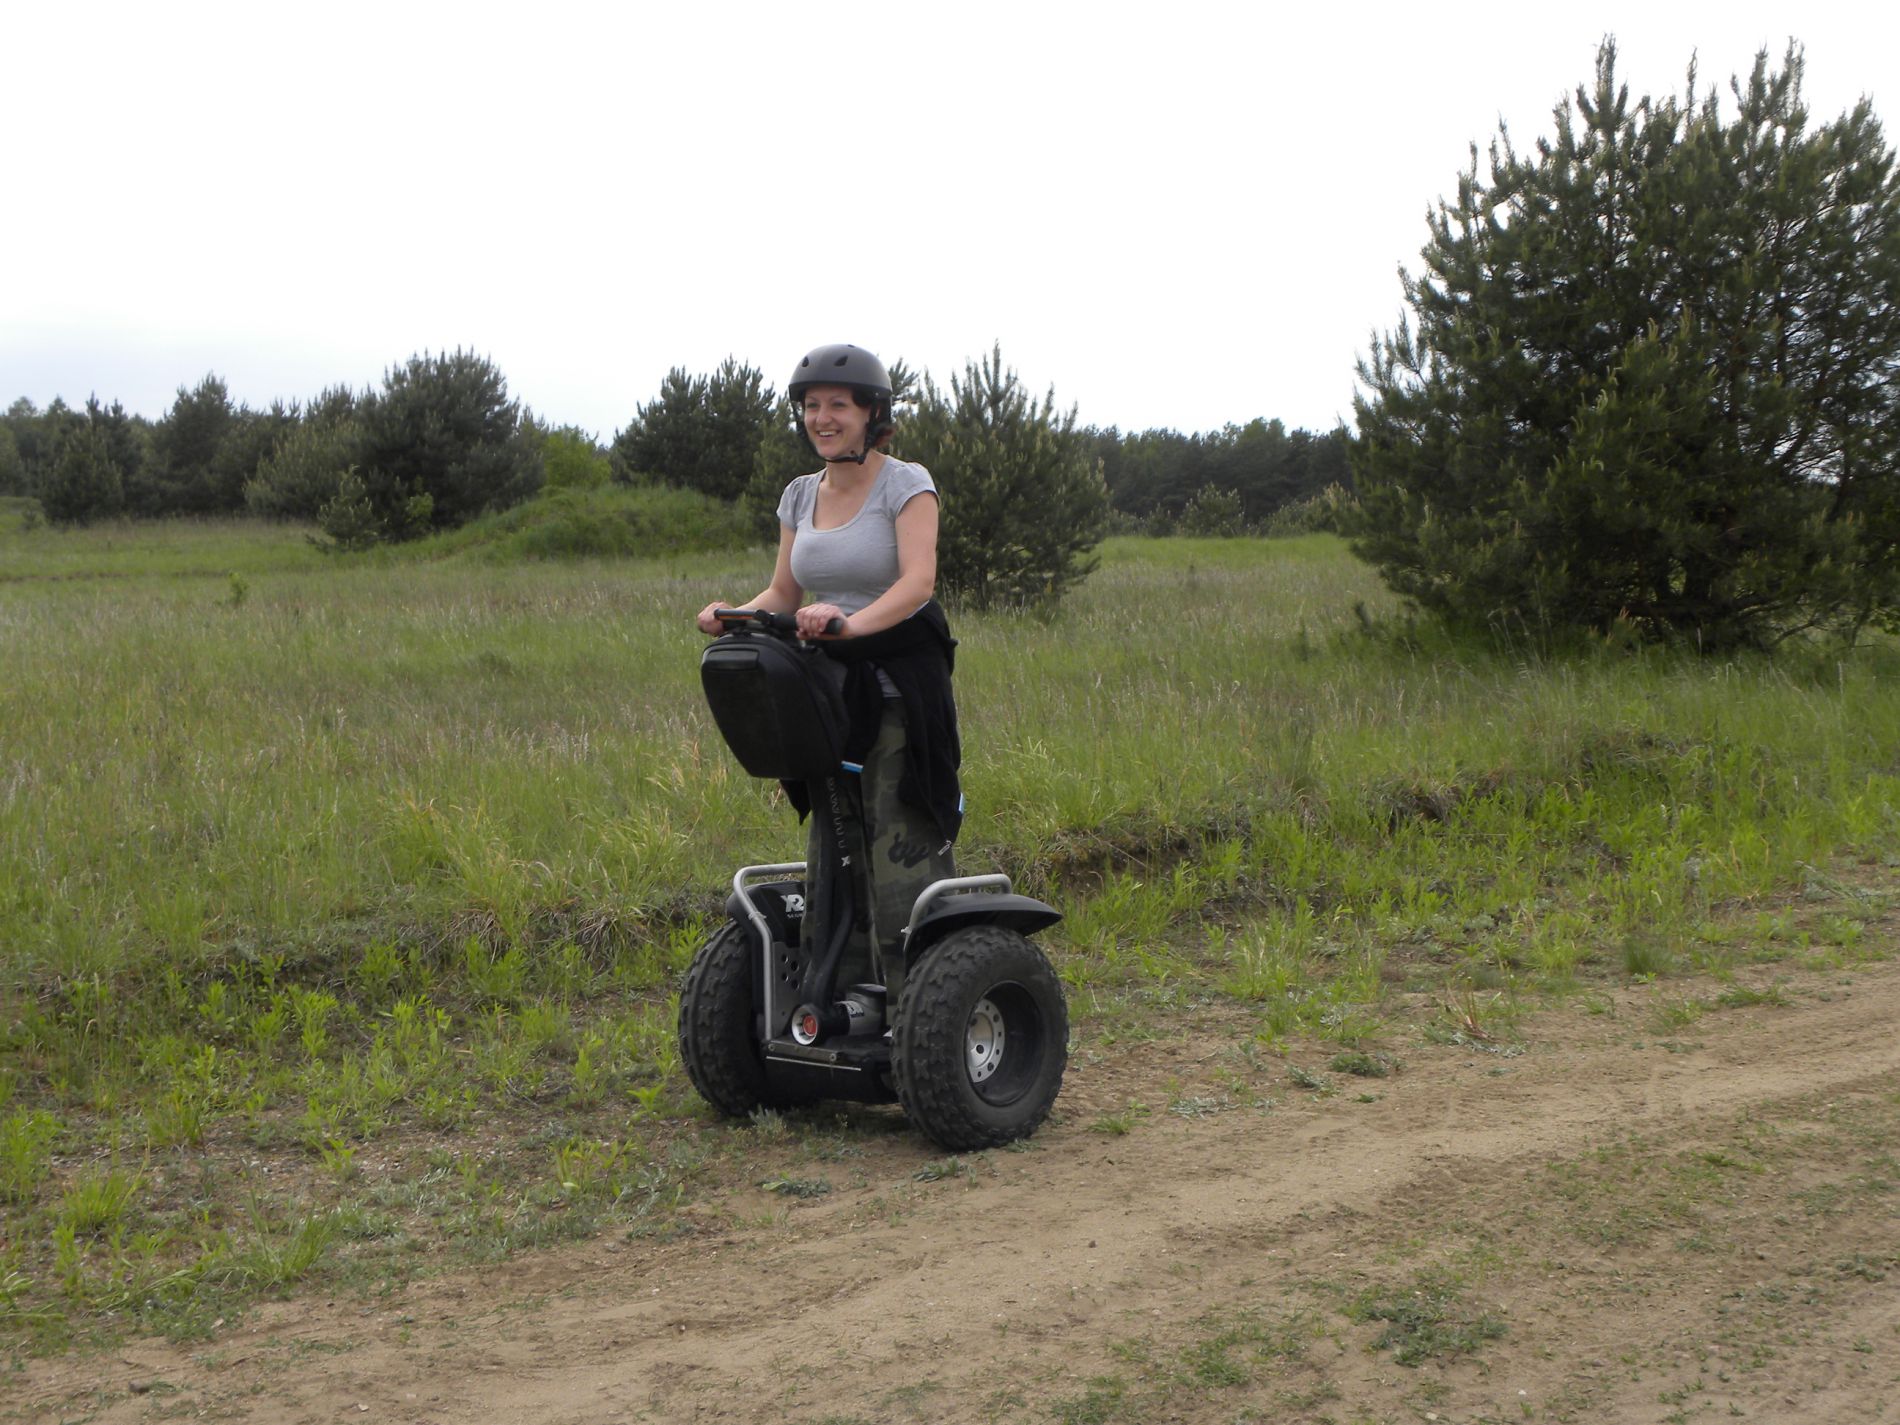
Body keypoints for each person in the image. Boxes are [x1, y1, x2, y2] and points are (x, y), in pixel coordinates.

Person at [695, 344, 961, 1008]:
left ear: (872, 413)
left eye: (838, 404)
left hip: (898, 690)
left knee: (898, 842)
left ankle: (921, 1007)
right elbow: (785, 591)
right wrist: (733, 614)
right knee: (836, 844)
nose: (823, 418)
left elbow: (918, 583)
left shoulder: (906, 483)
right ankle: (841, 999)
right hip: (828, 694)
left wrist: (850, 624)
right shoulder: (799, 494)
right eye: (812, 406)